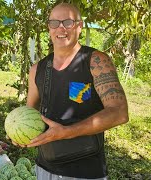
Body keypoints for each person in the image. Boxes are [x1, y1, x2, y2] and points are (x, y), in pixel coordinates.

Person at [24, 3, 129, 180]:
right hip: (45, 167)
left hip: (85, 172)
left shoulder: (96, 62)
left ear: (79, 26)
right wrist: (19, 132)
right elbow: (29, 113)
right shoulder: (37, 69)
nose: (61, 28)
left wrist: (67, 132)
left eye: (68, 22)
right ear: (49, 28)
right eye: (54, 23)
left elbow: (120, 112)